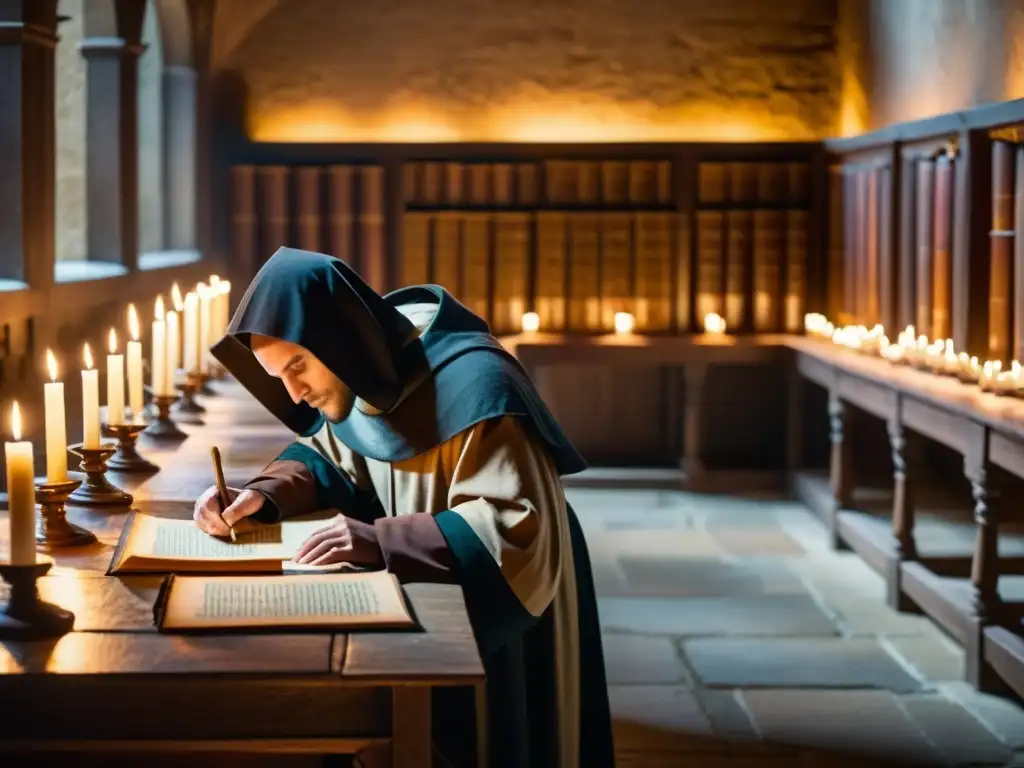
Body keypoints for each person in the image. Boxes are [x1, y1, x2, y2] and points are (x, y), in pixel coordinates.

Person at [193, 247, 614, 768]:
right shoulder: (363, 370)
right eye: (279, 376)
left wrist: (384, 540)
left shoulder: (480, 384)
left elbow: (516, 528)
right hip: (428, 577)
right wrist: (266, 493)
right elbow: (331, 454)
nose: (295, 394)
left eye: (297, 366)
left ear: (335, 339)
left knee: (504, 736)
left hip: (515, 592)